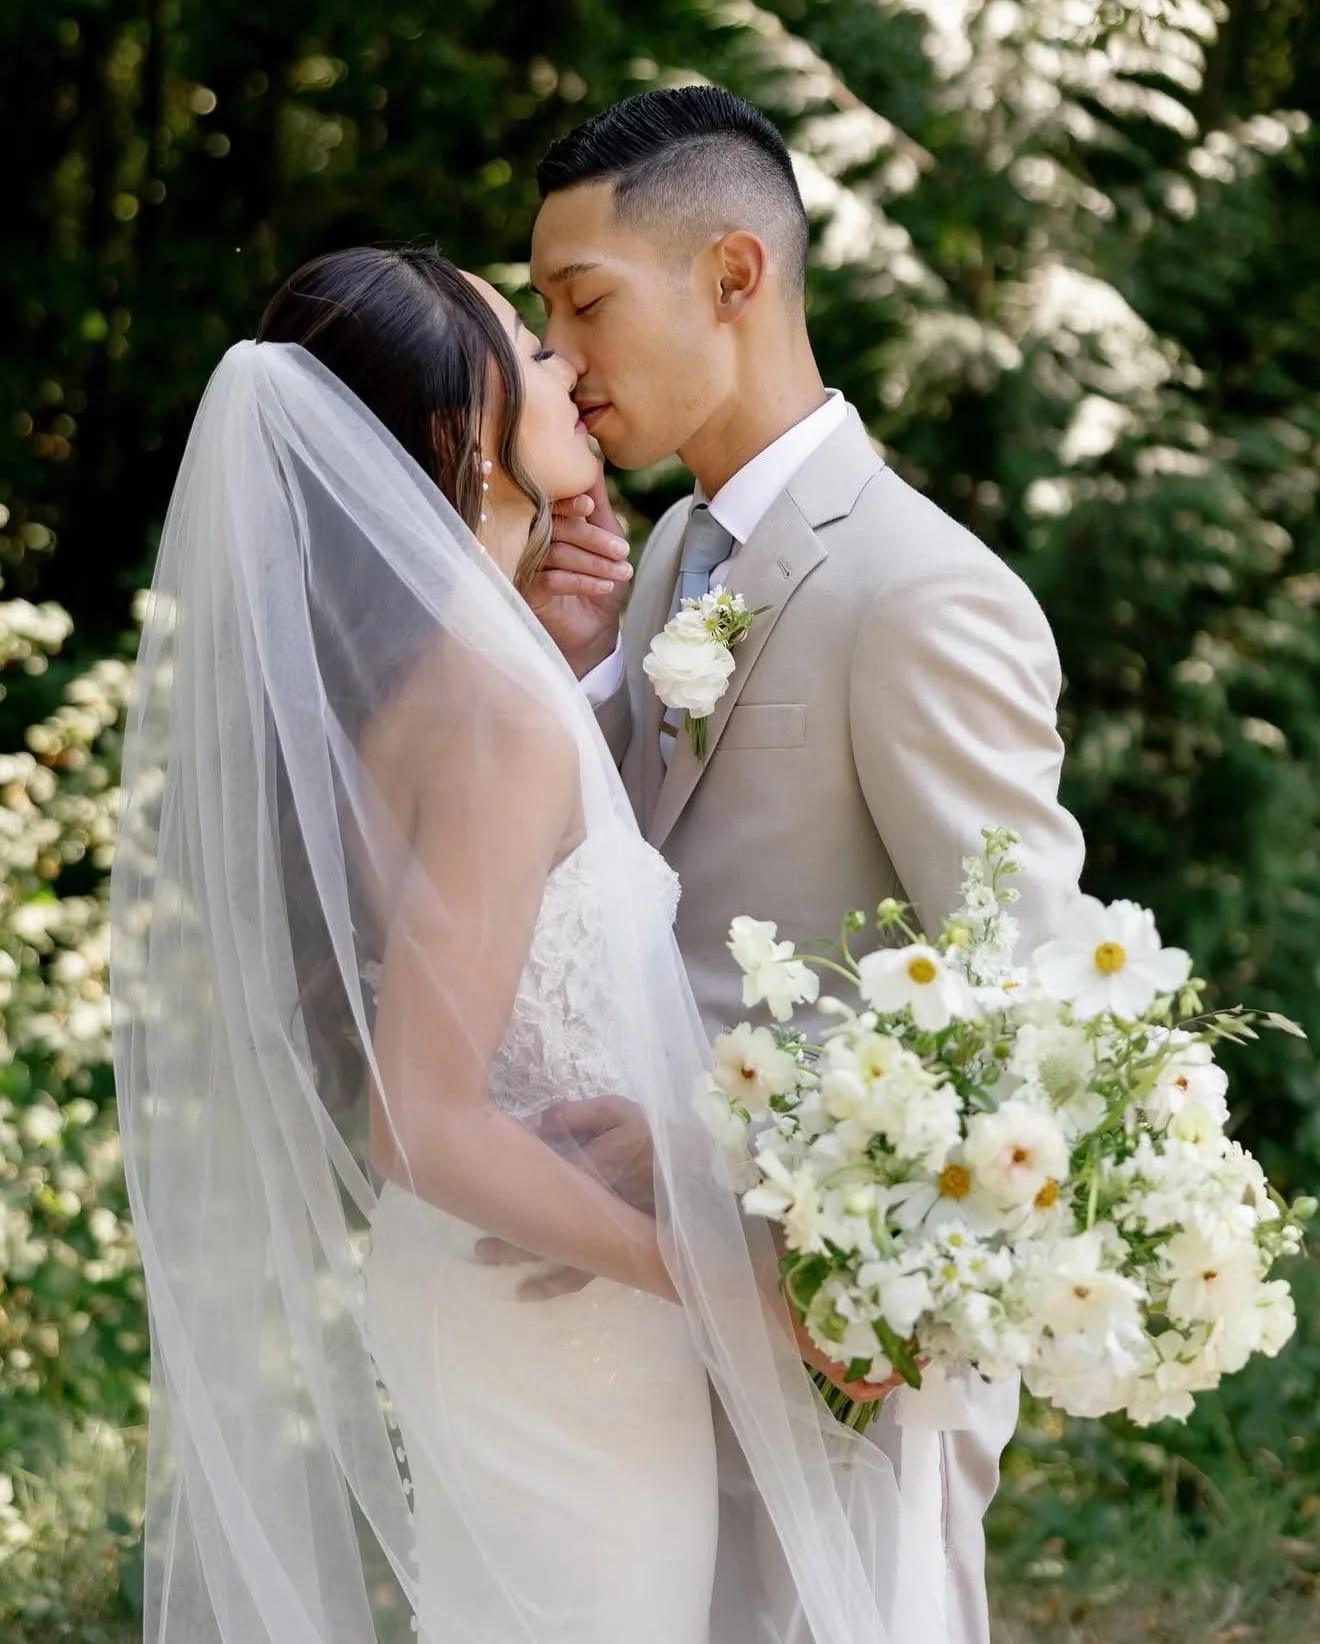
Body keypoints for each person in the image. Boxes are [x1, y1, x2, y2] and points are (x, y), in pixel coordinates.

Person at [112, 244, 946, 1644]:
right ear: (459, 435)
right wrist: (720, 1279)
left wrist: (563, 651)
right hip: (557, 1314)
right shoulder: (485, 712)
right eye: (525, 347)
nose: (564, 365)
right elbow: (424, 1122)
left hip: (501, 1291)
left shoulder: (444, 688)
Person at [524, 86, 1088, 1644]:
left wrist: (737, 1195)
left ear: (733, 276)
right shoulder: (667, 558)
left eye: (584, 303)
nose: (559, 360)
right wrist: (582, 675)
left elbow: (1024, 1011)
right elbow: (647, 871)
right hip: (665, 1330)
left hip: (841, 1346)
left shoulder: (920, 594)